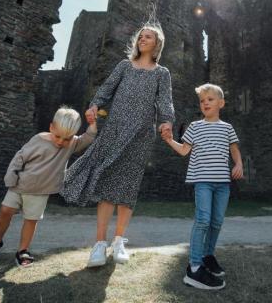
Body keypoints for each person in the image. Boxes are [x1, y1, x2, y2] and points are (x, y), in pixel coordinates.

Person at [61, 24, 174, 267]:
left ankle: (119, 241)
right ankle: (99, 244)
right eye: (141, 36)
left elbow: (165, 102)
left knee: (128, 187)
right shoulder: (124, 66)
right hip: (114, 130)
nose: (142, 39)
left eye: (148, 37)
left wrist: (166, 122)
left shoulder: (161, 73)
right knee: (107, 181)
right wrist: (94, 106)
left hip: (141, 135)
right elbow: (106, 90)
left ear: (157, 44)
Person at [0, 107, 97, 267]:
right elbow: (20, 157)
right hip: (19, 185)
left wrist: (93, 123)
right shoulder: (38, 139)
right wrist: (11, 176)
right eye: (58, 136)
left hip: (40, 192)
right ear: (51, 127)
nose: (61, 142)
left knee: (31, 220)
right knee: (5, 212)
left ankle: (22, 250)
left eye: (67, 138)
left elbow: (88, 137)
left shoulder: (72, 143)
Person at [162, 83, 243, 290]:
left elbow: (234, 149)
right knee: (203, 221)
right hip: (203, 183)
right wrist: (170, 140)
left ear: (221, 103)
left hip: (223, 184)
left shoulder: (227, 128)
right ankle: (194, 267)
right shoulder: (194, 127)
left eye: (210, 99)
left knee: (216, 222)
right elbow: (183, 151)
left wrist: (239, 164)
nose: (205, 103)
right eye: (202, 100)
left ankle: (208, 256)